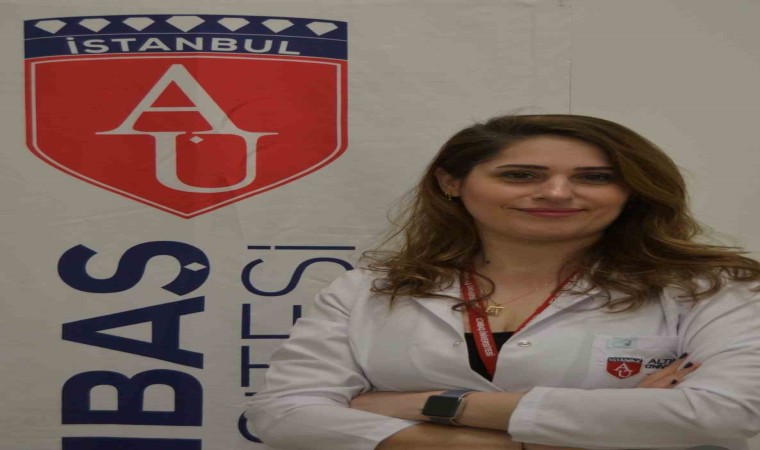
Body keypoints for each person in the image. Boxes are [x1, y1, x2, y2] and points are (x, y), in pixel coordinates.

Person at [245, 114, 760, 450]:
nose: (557, 193)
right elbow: (284, 415)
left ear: (633, 191)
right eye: (520, 175)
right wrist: (540, 440)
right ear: (451, 182)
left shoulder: (712, 287)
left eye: (595, 177)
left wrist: (435, 406)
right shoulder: (370, 288)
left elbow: (724, 413)